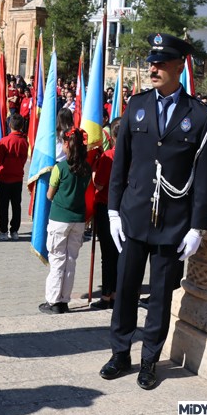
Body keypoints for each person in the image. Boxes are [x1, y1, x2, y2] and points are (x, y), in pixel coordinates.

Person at [100, 33, 207, 391]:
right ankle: (120, 353)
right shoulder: (135, 105)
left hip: (173, 222)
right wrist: (113, 211)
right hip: (134, 215)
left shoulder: (198, 116)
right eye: (151, 61)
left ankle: (149, 359)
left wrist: (198, 227)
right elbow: (121, 163)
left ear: (179, 66)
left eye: (162, 62)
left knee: (161, 296)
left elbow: (205, 176)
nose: (153, 67)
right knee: (125, 288)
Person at [39, 127, 91, 314]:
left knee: (57, 260)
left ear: (67, 145)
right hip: (78, 219)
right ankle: (64, 300)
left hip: (60, 218)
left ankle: (53, 300)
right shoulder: (86, 167)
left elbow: (50, 194)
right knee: (71, 261)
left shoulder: (60, 168)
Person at [91, 118, 121, 310]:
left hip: (106, 208)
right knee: (119, 253)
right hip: (124, 210)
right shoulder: (134, 155)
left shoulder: (108, 156)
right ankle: (118, 294)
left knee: (107, 255)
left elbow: (100, 184)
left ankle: (106, 296)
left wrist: (94, 174)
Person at [0, 114, 29, 241]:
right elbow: (24, 159)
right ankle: (14, 231)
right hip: (18, 177)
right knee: (16, 205)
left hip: (4, 177)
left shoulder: (5, 141)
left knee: (3, 205)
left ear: (9, 125)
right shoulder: (24, 142)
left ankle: (3, 231)